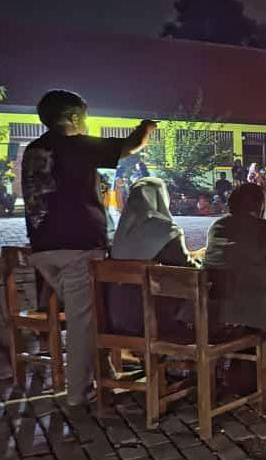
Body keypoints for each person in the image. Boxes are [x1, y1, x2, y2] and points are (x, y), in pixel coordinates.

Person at [22, 90, 157, 406]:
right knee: (83, 322)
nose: (85, 122)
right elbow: (129, 146)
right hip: (77, 246)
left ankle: (105, 371)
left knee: (91, 312)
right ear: (72, 117)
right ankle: (78, 393)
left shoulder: (34, 148)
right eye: (83, 116)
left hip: (43, 248)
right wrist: (147, 127)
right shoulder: (74, 144)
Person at [203, 183, 266, 388]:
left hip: (214, 312)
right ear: (260, 205)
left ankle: (246, 373)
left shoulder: (218, 227)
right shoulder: (264, 230)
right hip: (247, 310)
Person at [108, 178, 202, 337]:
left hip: (119, 321)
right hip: (157, 322)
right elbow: (189, 271)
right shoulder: (165, 231)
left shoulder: (120, 236)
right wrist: (201, 258)